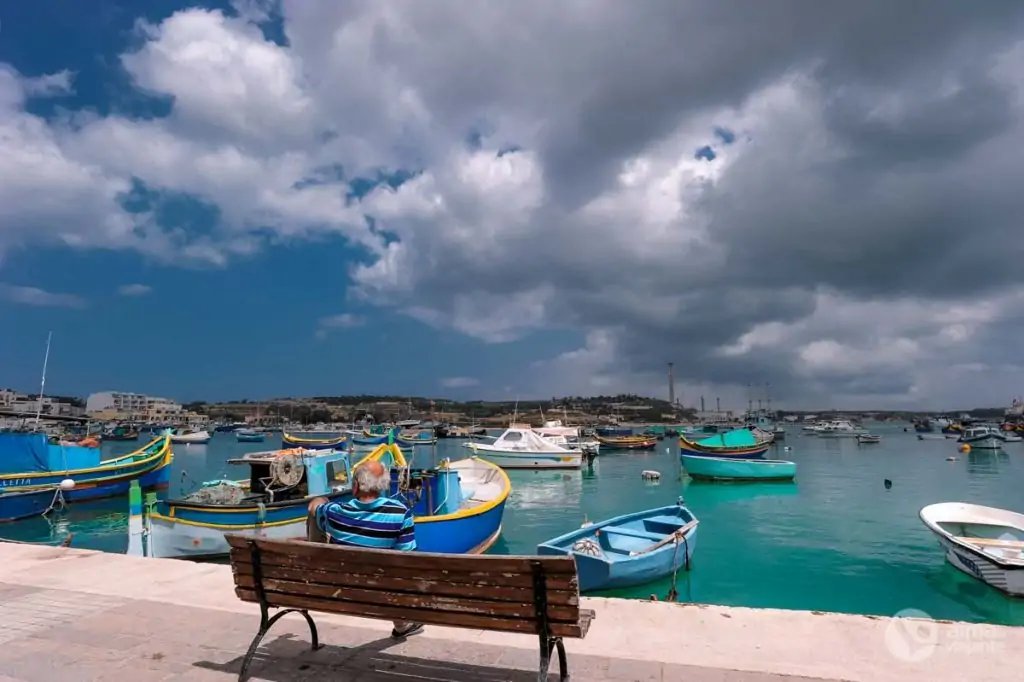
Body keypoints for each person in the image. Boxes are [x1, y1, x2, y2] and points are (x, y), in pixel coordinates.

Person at [307, 459, 422, 639]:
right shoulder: (400, 513)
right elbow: (407, 560)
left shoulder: (335, 512)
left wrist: (321, 499)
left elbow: (313, 508)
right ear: (382, 485)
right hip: (381, 592)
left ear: (355, 486)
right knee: (395, 576)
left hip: (341, 589)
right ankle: (402, 624)